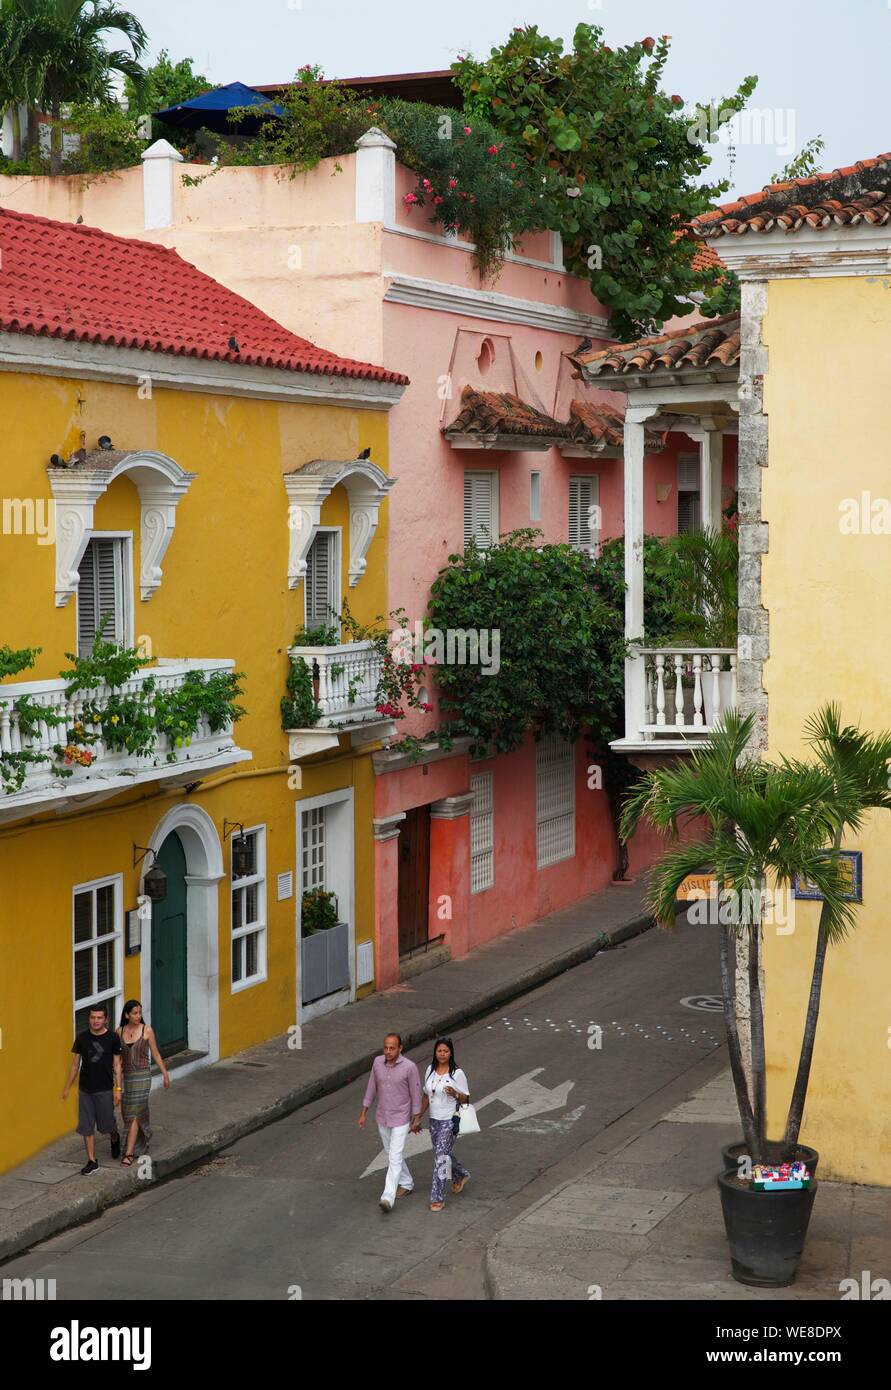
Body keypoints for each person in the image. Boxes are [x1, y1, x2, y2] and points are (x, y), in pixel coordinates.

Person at [359, 1032, 422, 1212]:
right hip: (382, 1116)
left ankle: (388, 1197)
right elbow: (372, 1087)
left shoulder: (409, 1067)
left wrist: (416, 1118)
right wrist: (364, 1112)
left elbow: (416, 1093)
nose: (388, 1051)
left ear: (400, 1048)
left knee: (394, 1156)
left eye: (392, 1048)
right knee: (391, 1153)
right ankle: (407, 1182)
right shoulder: (377, 1063)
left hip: (401, 1117)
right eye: (386, 1047)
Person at [62, 1004, 123, 1176]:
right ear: (89, 1018)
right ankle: (92, 1161)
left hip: (104, 1089)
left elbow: (117, 1065)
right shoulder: (82, 1038)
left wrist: (118, 1089)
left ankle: (114, 1137)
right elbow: (75, 1066)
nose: (95, 1021)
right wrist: (67, 1087)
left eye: (99, 1018)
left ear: (105, 1019)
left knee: (106, 1125)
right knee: (86, 1126)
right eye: (92, 1017)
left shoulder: (112, 1038)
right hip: (85, 1089)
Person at [418, 1037, 471, 1211]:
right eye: (439, 1051)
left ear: (451, 1053)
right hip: (434, 1120)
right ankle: (460, 1174)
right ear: (435, 1052)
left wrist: (455, 1093)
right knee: (442, 1153)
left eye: (446, 1051)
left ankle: (437, 1197)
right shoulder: (430, 1070)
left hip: (450, 1119)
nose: (442, 1054)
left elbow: (466, 1098)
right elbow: (426, 1096)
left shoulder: (457, 1073)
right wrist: (417, 1117)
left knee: (441, 1157)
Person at [117, 1000, 169, 1166]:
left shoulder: (147, 1030)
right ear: (127, 1015)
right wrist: (117, 1084)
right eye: (135, 1013)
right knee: (127, 1114)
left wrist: (165, 1074)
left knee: (134, 1113)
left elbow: (156, 1054)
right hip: (128, 1078)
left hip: (143, 1077)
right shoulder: (119, 1032)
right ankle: (140, 1142)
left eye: (140, 1012)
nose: (138, 1016)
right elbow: (117, 1062)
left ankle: (129, 1153)